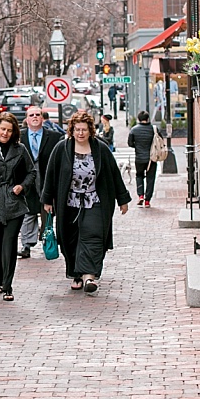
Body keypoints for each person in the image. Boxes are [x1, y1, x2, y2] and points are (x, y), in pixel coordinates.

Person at [43, 110, 131, 293]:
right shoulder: (62, 149)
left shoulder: (100, 149)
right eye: (77, 130)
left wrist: (123, 199)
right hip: (69, 203)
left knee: (94, 235)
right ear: (72, 130)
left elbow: (114, 174)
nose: (80, 133)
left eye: (84, 130)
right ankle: (76, 273)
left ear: (90, 130)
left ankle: (90, 276)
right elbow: (51, 174)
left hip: (95, 200)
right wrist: (47, 199)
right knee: (71, 238)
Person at [0, 113, 38, 301]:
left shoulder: (19, 149)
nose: (5, 133)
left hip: (13, 203)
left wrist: (22, 186)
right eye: (3, 129)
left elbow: (31, 172)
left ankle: (8, 285)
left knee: (9, 244)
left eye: (9, 130)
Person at [18, 105, 63, 257]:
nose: (35, 117)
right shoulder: (19, 136)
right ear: (27, 119)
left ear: (42, 118)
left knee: (47, 213)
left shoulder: (54, 137)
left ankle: (47, 240)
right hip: (27, 181)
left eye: (38, 114)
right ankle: (26, 245)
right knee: (28, 213)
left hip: (46, 180)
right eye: (31, 115)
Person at [128, 110, 158, 207]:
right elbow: (159, 141)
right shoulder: (153, 129)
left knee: (139, 176)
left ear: (138, 119)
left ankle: (140, 195)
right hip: (151, 158)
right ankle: (147, 201)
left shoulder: (134, 130)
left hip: (139, 158)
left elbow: (130, 143)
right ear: (147, 119)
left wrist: (137, 147)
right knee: (150, 178)